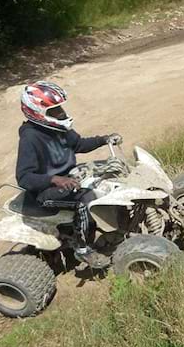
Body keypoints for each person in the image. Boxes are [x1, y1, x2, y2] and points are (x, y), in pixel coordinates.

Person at [16, 81, 121, 268]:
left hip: (68, 177)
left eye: (60, 108)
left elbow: (79, 144)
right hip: (44, 192)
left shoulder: (59, 128)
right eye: (54, 111)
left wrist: (104, 140)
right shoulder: (30, 138)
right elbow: (24, 177)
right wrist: (54, 179)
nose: (61, 113)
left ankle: (116, 225)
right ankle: (83, 249)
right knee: (84, 200)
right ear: (37, 112)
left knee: (108, 176)